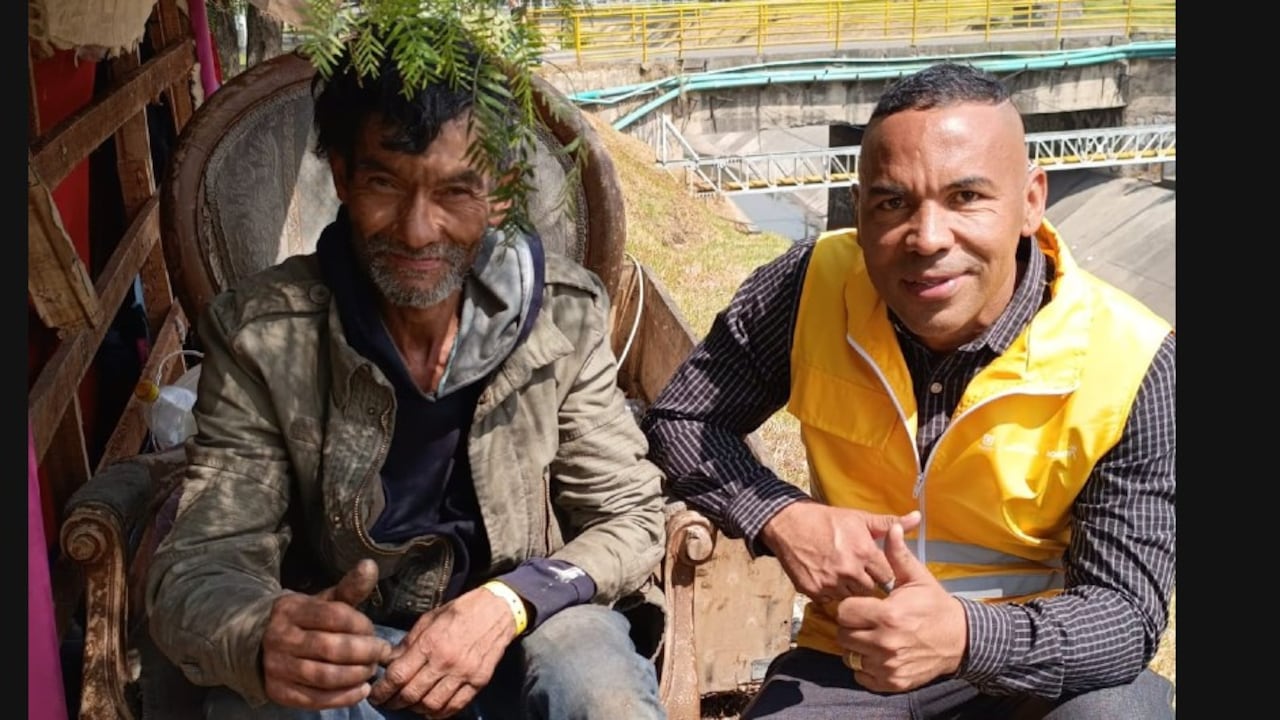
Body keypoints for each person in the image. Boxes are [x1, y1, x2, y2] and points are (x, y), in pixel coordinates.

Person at [145, 29, 667, 720]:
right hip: (354, 648)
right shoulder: (261, 337)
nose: (418, 231)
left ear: (501, 193)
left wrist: (510, 601)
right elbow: (206, 560)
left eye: (455, 191)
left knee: (599, 683)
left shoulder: (561, 318)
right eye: (384, 183)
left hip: (525, 622)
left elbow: (630, 517)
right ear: (340, 177)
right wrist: (265, 633)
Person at [641, 61, 1175, 719]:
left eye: (966, 197)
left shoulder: (1132, 358)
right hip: (851, 657)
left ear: (1031, 201)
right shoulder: (811, 287)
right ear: (859, 210)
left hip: (1035, 670)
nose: (927, 239)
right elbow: (684, 419)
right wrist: (780, 515)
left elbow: (1123, 617)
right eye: (893, 203)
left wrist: (964, 635)